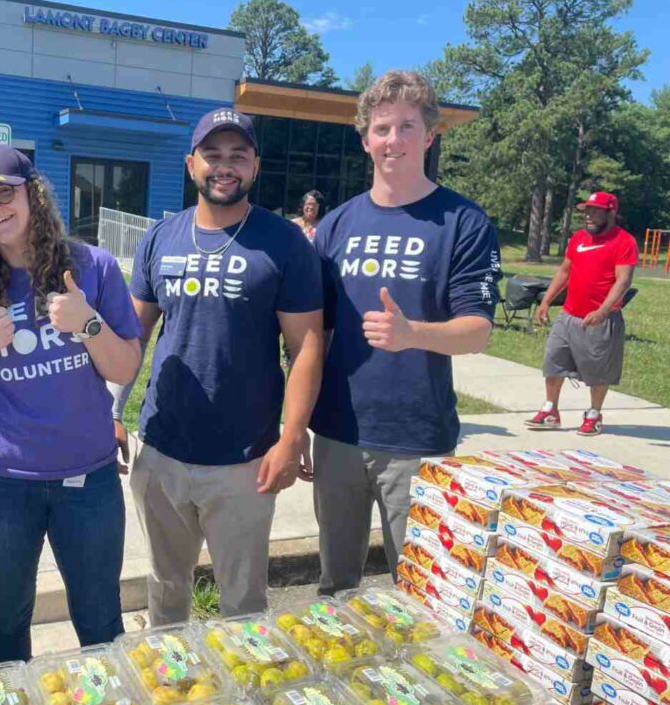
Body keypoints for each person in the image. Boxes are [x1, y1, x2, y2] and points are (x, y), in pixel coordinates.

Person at [0, 146, 142, 663]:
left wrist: (87, 323)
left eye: (5, 192)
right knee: (6, 619)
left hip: (88, 483)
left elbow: (124, 368)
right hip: (1, 485)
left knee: (100, 619)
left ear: (33, 193)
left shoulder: (92, 266)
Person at [114, 108, 324, 626]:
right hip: (160, 451)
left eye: (238, 156)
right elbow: (133, 336)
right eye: (212, 154)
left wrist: (291, 437)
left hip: (246, 462)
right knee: (165, 588)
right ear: (191, 164)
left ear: (255, 167)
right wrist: (110, 409)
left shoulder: (284, 242)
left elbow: (307, 347)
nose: (224, 166)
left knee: (244, 602)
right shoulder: (161, 238)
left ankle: (245, 697)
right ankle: (172, 690)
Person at [310, 71, 501, 594]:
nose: (394, 140)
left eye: (407, 127)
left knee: (422, 590)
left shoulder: (462, 221)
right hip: (338, 434)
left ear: (430, 134)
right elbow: (314, 335)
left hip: (417, 439)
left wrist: (412, 332)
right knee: (336, 587)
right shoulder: (336, 226)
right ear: (365, 138)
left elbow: (478, 330)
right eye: (383, 128)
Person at [526, 191, 637, 436]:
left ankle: (594, 414)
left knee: (598, 370)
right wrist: (545, 301)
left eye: (595, 210)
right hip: (568, 315)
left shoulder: (624, 241)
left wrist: (602, 310)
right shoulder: (578, 238)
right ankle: (550, 410)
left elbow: (623, 281)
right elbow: (565, 272)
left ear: (611, 212)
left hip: (600, 318)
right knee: (553, 362)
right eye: (586, 210)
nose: (588, 215)